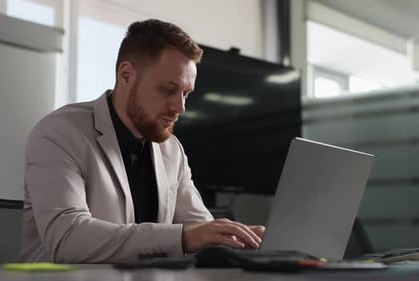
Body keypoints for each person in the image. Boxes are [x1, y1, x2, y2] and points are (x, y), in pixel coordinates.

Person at [19, 18, 265, 263]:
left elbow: (201, 231)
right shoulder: (60, 132)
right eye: (168, 90)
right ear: (126, 75)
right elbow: (68, 240)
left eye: (186, 94)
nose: (179, 107)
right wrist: (183, 238)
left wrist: (237, 240)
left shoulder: (172, 151)